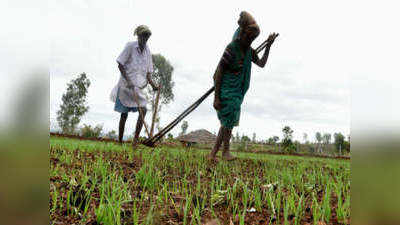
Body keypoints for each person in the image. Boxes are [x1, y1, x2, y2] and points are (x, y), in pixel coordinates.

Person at [208, 11, 279, 161]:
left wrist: (268, 46)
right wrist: (216, 97)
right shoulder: (232, 48)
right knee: (227, 122)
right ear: (242, 34)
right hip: (226, 90)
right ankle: (216, 153)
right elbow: (219, 72)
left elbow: (261, 64)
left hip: (237, 92)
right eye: (248, 37)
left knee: (229, 122)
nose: (249, 40)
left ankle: (222, 152)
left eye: (252, 39)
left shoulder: (249, 51)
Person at [110, 25, 159, 149]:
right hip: (126, 85)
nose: (145, 40)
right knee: (124, 114)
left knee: (143, 110)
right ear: (138, 36)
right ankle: (120, 142)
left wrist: (153, 85)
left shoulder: (147, 51)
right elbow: (120, 64)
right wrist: (128, 80)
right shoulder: (130, 46)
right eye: (143, 36)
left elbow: (148, 72)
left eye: (147, 37)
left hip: (137, 87)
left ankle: (135, 141)